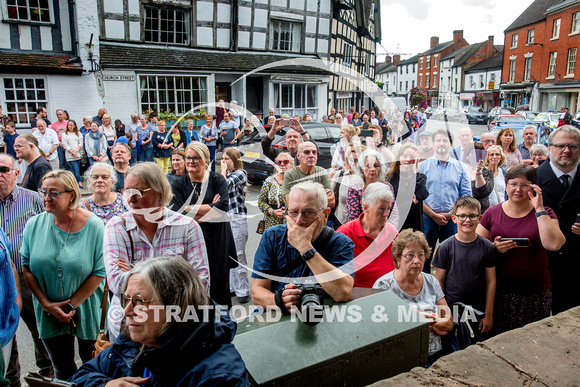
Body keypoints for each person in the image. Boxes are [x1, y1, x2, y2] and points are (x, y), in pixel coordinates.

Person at [69, 257, 249, 386]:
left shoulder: (219, 377)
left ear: (176, 307)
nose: (127, 311)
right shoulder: (134, 341)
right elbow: (80, 377)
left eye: (140, 301)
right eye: (127, 299)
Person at [104, 162, 210, 340]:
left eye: (138, 192)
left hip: (174, 327)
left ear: (159, 192)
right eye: (127, 192)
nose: (130, 199)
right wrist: (176, 279)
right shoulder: (116, 226)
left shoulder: (187, 227)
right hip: (128, 329)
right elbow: (117, 283)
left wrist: (133, 273)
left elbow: (201, 284)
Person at [21, 170, 106, 380]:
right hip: (48, 309)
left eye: (53, 193)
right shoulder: (34, 225)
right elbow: (27, 267)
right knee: (62, 368)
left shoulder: (94, 225)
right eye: (43, 192)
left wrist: (70, 305)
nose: (46, 198)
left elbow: (99, 271)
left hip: (86, 306)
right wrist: (46, 304)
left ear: (72, 195)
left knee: (92, 366)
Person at [476, 164, 565, 334]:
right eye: (513, 184)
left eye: (524, 185)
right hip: (500, 290)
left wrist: (539, 208)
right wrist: (493, 247)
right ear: (506, 185)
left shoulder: (546, 212)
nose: (518, 189)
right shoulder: (492, 213)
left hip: (535, 291)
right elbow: (476, 249)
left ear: (533, 187)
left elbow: (554, 244)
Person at [251, 181, 355, 311]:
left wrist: (305, 248)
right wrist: (279, 301)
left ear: (325, 215)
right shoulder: (272, 236)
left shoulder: (341, 244)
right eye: (293, 212)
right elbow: (257, 291)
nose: (299, 220)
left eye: (308, 212)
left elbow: (342, 292)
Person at [0, 154, 52, 383]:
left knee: (40, 330)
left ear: (16, 173)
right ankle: (11, 379)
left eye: (3, 169)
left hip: (29, 276)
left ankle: (47, 375)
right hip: (2, 279)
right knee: (4, 334)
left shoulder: (35, 200)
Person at [169, 142, 236, 307]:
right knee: (195, 287)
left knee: (220, 288)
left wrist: (191, 208)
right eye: (188, 158)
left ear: (206, 160)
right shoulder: (178, 183)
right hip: (193, 241)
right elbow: (178, 215)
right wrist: (209, 209)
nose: (191, 161)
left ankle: (223, 325)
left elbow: (222, 208)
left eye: (196, 158)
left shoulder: (217, 179)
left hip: (219, 239)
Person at [373, 229, 453, 363]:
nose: (416, 261)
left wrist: (429, 325)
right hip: (401, 356)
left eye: (421, 255)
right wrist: (416, 319)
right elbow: (380, 327)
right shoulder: (383, 286)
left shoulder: (431, 281)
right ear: (398, 258)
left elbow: (448, 322)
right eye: (410, 255)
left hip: (435, 355)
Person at [433, 197, 496, 339]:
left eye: (472, 216)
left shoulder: (487, 247)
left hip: (478, 307)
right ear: (454, 218)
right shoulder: (445, 247)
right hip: (452, 306)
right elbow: (439, 282)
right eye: (462, 216)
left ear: (479, 218)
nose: (467, 220)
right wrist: (444, 312)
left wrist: (489, 314)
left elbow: (491, 281)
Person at [537, 126, 580, 314]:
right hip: (542, 259)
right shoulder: (533, 177)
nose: (566, 151)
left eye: (573, 146)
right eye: (560, 146)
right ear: (550, 147)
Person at [419, 129, 472, 272]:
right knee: (424, 257)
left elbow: (466, 196)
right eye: (438, 140)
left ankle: (448, 290)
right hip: (428, 218)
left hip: (452, 220)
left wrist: (450, 214)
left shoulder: (460, 167)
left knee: (452, 257)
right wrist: (433, 214)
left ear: (451, 144)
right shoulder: (422, 166)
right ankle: (425, 287)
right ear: (433, 143)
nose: (442, 143)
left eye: (445, 141)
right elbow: (417, 196)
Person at [338, 182, 398, 288]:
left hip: (389, 295)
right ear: (365, 207)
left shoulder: (392, 233)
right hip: (356, 297)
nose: (386, 213)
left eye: (388, 208)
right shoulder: (345, 234)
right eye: (381, 208)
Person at [220, 148, 250, 304]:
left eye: (227, 158)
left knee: (238, 255)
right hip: (225, 218)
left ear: (235, 160)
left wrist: (223, 171)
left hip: (237, 219)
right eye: (223, 158)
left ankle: (242, 289)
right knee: (227, 254)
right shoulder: (226, 175)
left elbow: (225, 185)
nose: (224, 161)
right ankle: (232, 287)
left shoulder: (240, 173)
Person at [386, 143, 428, 231]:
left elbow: (415, 200)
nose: (408, 160)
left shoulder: (420, 178)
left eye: (412, 157)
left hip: (413, 223)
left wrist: (414, 169)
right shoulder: (390, 177)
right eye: (405, 156)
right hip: (394, 223)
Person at [282, 141, 335, 208]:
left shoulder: (322, 172)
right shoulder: (290, 174)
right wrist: (320, 196)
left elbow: (332, 202)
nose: (311, 155)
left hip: (316, 217)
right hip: (296, 217)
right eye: (306, 152)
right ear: (298, 156)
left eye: (314, 152)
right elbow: (292, 205)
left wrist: (301, 198)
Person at [346, 149, 389, 221]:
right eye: (368, 166)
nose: (372, 169)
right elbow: (354, 217)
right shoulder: (355, 188)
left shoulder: (387, 186)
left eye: (376, 166)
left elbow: (393, 212)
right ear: (362, 168)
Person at [330, 144, 365, 229]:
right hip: (340, 222)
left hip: (363, 225)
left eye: (356, 161)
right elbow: (330, 197)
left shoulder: (369, 178)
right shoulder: (340, 175)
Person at [258, 152, 294, 230]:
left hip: (291, 222)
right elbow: (261, 202)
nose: (282, 164)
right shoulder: (269, 181)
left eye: (285, 162)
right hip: (272, 223)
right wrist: (273, 212)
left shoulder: (296, 182)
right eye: (279, 162)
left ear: (291, 164)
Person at [61, 120, 83, 189]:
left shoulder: (78, 133)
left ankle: (74, 184)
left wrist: (76, 151)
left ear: (74, 126)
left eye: (71, 125)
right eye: (69, 125)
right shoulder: (65, 134)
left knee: (76, 170)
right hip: (70, 156)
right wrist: (72, 152)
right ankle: (79, 184)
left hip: (77, 155)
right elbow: (65, 144)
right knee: (75, 170)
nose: (70, 126)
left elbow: (80, 143)